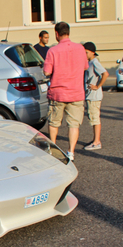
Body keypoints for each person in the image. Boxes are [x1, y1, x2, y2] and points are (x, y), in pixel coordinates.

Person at [42, 22, 88, 162]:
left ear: (56, 34)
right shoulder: (80, 48)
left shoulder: (53, 51)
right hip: (76, 92)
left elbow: (47, 71)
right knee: (74, 124)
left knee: (54, 122)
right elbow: (85, 67)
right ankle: (71, 151)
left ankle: (53, 149)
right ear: (68, 32)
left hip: (58, 92)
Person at [82, 42, 108, 151]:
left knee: (95, 118)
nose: (85, 54)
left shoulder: (95, 62)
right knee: (93, 118)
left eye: (86, 52)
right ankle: (95, 139)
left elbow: (105, 74)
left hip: (94, 96)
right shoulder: (90, 63)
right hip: (90, 95)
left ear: (92, 52)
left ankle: (97, 142)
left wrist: (98, 86)